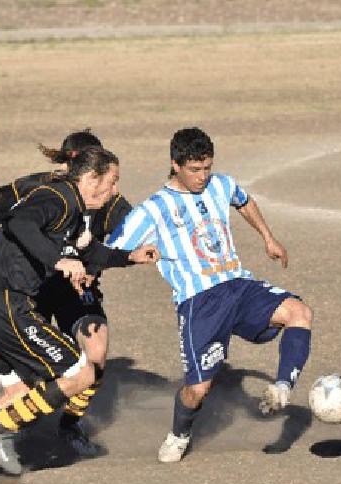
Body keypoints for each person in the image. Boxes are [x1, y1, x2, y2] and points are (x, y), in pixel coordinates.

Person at [0, 146, 159, 484]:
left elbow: (87, 253)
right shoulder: (58, 198)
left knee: (16, 392)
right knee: (82, 373)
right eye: (112, 181)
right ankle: (1, 429)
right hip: (9, 304)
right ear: (91, 178)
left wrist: (129, 257)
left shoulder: (72, 212)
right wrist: (57, 262)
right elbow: (19, 223)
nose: (115, 190)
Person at [107, 127, 314, 463]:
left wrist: (268, 238)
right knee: (198, 390)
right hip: (199, 302)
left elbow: (243, 202)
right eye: (194, 170)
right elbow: (112, 250)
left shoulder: (221, 184)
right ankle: (179, 433)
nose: (203, 176)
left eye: (207, 168)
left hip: (238, 285)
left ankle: (282, 388)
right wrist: (109, 263)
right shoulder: (154, 209)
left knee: (299, 313)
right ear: (175, 164)